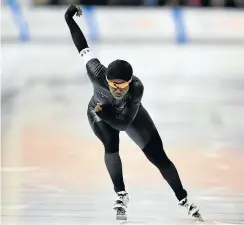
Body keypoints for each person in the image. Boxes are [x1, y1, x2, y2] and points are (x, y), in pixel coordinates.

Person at [64, 4, 203, 221]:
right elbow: (82, 46)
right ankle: (121, 194)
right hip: (98, 112)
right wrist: (69, 18)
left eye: (122, 86)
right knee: (111, 143)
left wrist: (109, 113)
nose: (117, 90)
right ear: (106, 80)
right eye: (113, 85)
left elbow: (123, 123)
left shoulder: (137, 89)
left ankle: (183, 198)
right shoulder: (96, 72)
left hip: (124, 115)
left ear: (130, 82)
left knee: (158, 155)